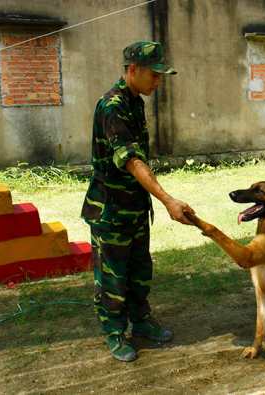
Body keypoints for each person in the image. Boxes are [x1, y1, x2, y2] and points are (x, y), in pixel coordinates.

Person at [81, 41, 194, 362]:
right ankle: (114, 331)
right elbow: (131, 160)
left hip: (134, 207)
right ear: (133, 70)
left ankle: (141, 321)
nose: (158, 81)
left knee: (140, 270)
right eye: (154, 74)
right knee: (112, 276)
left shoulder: (135, 102)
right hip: (111, 210)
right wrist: (167, 199)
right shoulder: (112, 106)